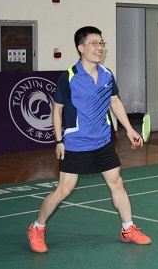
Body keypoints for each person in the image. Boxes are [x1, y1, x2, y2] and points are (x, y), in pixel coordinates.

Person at [27, 26, 151, 253]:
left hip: (103, 141)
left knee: (117, 183)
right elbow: (57, 110)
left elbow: (115, 102)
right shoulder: (69, 77)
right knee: (64, 189)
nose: (99, 48)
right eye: (94, 43)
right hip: (76, 143)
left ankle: (128, 228)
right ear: (81, 47)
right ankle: (37, 228)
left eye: (101, 43)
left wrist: (129, 129)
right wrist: (59, 141)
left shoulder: (106, 74)